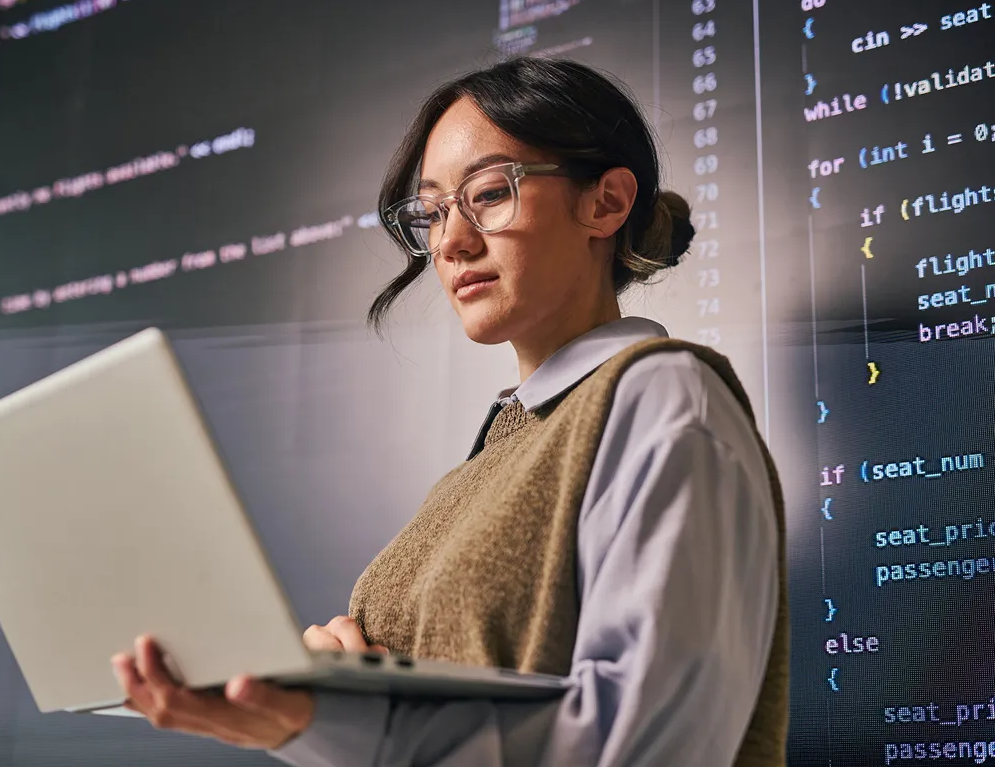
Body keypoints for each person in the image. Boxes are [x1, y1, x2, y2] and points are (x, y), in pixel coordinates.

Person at [111, 56, 789, 766]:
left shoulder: (666, 398)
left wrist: (335, 724)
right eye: (432, 213)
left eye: (489, 193)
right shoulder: (483, 465)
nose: (450, 243)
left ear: (607, 203)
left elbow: (645, 744)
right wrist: (336, 698)